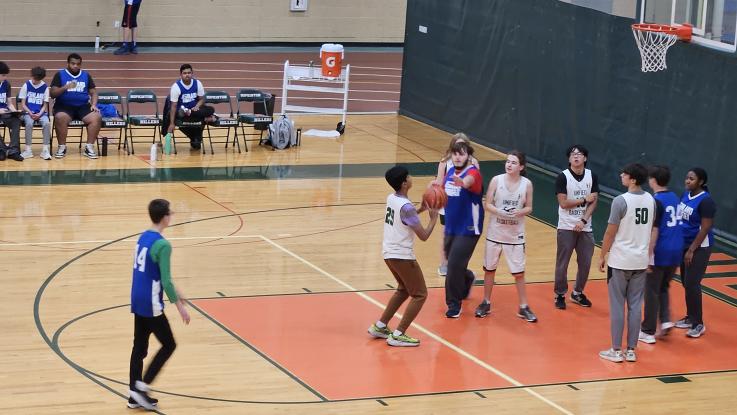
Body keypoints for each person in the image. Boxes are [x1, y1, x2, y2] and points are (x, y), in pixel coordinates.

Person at [128, 199, 190, 410]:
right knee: (169, 344)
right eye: (170, 213)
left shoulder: (143, 237)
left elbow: (155, 275)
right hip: (151, 303)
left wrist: (179, 295)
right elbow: (166, 280)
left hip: (137, 297)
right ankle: (142, 388)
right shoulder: (163, 245)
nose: (171, 215)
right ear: (165, 217)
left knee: (139, 347)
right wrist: (180, 306)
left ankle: (133, 395)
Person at [368, 166, 439, 347]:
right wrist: (432, 219)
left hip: (388, 254)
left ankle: (381, 326)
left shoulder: (392, 198)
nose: (411, 177)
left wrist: (421, 208)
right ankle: (399, 334)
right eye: (409, 176)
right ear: (404, 183)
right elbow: (423, 236)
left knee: (404, 289)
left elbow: (406, 217)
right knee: (420, 294)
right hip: (402, 256)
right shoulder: (406, 207)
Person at [598, 163, 655, 363]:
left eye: (625, 173)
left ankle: (615, 350)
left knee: (617, 306)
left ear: (632, 179)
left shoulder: (620, 201)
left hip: (621, 261)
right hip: (640, 261)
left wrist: (602, 255)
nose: (621, 175)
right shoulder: (650, 199)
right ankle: (631, 350)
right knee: (635, 306)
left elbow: (609, 232)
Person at [475, 150, 537, 322]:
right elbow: (487, 203)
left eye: (513, 162)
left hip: (515, 235)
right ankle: (486, 302)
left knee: (518, 273)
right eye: (508, 161)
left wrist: (519, 212)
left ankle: (523, 306)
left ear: (521, 166)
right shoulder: (497, 180)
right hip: (495, 232)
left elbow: (529, 207)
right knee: (489, 270)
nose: (509, 164)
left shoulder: (527, 184)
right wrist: (500, 211)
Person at [638, 165, 683, 344]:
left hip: (661, 250)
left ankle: (648, 331)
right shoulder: (674, 197)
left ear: (653, 180)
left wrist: (647, 257)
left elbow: (653, 231)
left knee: (651, 290)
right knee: (663, 287)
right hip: (676, 250)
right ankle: (664, 321)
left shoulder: (654, 201)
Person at [553, 144, 599, 309]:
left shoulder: (591, 176)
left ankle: (577, 293)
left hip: (585, 226)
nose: (576, 156)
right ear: (569, 159)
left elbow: (595, 201)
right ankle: (559, 294)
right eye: (573, 154)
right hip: (566, 227)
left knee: (585, 262)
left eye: (579, 154)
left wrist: (584, 221)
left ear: (585, 158)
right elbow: (564, 203)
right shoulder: (563, 177)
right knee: (562, 263)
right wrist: (584, 200)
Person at [442, 140, 484, 318]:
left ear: (468, 156)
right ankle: (467, 278)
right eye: (455, 153)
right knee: (455, 264)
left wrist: (462, 182)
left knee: (452, 265)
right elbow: (443, 192)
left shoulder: (473, 173)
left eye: (462, 153)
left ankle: (454, 304)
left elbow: (469, 181)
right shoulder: (450, 171)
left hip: (469, 227)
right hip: (451, 225)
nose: (458, 156)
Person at [675, 167, 716, 338]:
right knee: (686, 282)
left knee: (692, 283)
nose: (687, 181)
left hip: (699, 247)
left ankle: (698, 323)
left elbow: (706, 227)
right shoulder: (686, 195)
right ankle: (690, 317)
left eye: (691, 179)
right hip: (684, 244)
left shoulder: (706, 201)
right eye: (687, 177)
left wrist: (691, 250)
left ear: (701, 182)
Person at [434, 133, 480, 276]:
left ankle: (461, 266)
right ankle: (444, 263)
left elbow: (475, 183)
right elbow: (439, 182)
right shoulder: (445, 162)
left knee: (463, 236)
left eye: (463, 146)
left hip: (465, 205)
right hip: (448, 204)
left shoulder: (474, 163)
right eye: (457, 145)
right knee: (447, 235)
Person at [50, 53, 102, 159]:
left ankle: (89, 147)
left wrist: (94, 104)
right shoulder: (60, 75)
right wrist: (65, 87)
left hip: (83, 106)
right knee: (60, 117)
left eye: (78, 64)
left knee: (96, 117)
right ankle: (62, 147)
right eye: (73, 64)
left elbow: (93, 92)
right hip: (64, 106)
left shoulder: (86, 75)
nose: (75, 66)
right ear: (68, 63)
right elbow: (53, 93)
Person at [164, 64, 215, 150]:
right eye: (184, 73)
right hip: (182, 112)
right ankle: (205, 119)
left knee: (211, 109)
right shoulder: (176, 87)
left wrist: (197, 106)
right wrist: (172, 123)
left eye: (189, 73)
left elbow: (202, 99)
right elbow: (173, 106)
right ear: (181, 75)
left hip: (194, 111)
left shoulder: (197, 83)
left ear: (192, 73)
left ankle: (195, 115)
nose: (187, 75)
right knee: (176, 113)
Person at [19, 66, 52, 160]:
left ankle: (45, 150)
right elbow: (23, 104)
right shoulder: (26, 85)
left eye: (37, 79)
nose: (34, 80)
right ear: (32, 75)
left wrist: (39, 114)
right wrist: (30, 113)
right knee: (29, 123)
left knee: (46, 123)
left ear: (41, 78)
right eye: (33, 78)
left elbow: (45, 105)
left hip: (41, 113)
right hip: (27, 112)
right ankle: (28, 150)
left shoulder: (45, 87)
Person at [0, 61, 24, 162]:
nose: (5, 77)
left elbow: (9, 103)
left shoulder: (6, 84)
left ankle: (13, 151)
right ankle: (2, 149)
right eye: (3, 75)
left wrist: (15, 112)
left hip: (5, 113)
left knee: (16, 121)